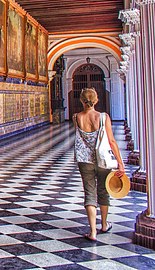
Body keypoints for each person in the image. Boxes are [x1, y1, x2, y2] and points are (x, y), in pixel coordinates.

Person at [73, 88, 125, 241]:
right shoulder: (103, 117)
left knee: (89, 193)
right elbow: (111, 141)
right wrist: (120, 164)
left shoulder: (76, 117)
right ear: (96, 100)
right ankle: (104, 223)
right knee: (103, 191)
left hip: (84, 160)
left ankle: (93, 231)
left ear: (82, 100)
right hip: (103, 160)